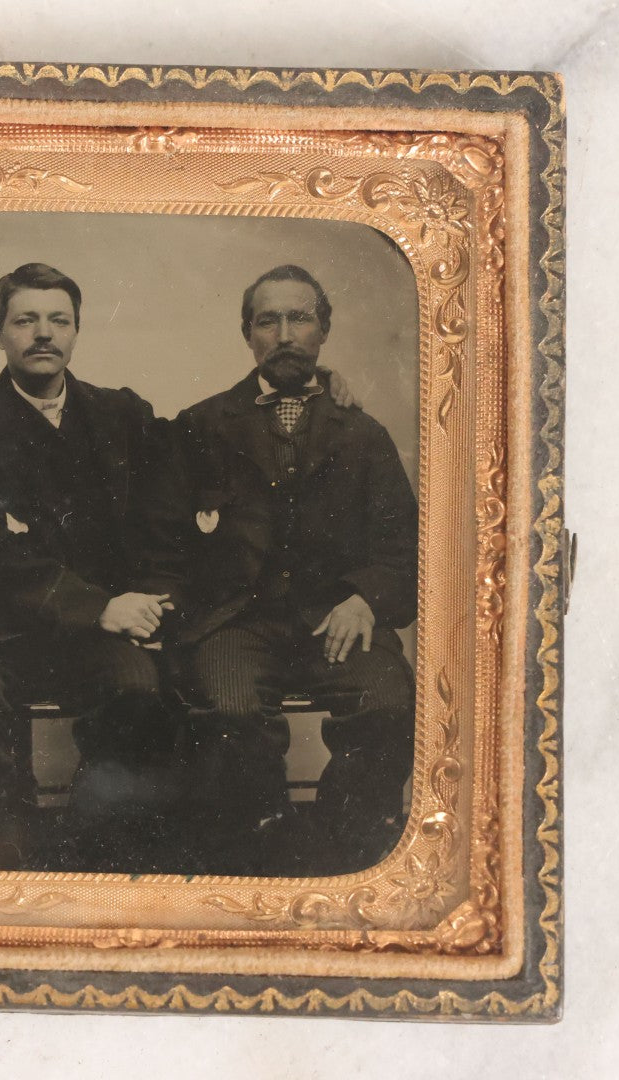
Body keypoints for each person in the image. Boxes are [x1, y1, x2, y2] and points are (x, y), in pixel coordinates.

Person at [138, 264, 418, 876]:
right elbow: (163, 543)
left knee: (388, 702)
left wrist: (365, 599)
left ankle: (339, 851)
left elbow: (403, 545)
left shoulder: (363, 434)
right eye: (268, 321)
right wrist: (185, 618)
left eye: (300, 318)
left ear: (324, 331)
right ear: (248, 334)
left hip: (335, 616)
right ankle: (260, 856)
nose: (285, 334)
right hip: (235, 622)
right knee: (231, 712)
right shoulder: (200, 426)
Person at [0, 263, 180, 871]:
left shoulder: (120, 416)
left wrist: (312, 385)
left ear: (77, 331)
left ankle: (95, 860)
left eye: (60, 320)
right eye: (25, 320)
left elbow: (194, 466)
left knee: (137, 688)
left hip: (94, 634)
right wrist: (96, 606)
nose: (44, 334)